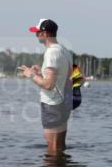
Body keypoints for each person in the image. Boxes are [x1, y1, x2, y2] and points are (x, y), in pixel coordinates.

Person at [19, 19, 73, 155]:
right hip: (64, 101)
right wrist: (40, 73)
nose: (36, 35)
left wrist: (31, 75)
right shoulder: (63, 50)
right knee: (59, 146)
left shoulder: (51, 53)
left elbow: (49, 85)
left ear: (45, 33)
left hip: (53, 104)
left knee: (53, 147)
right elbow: (64, 76)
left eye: (38, 32)